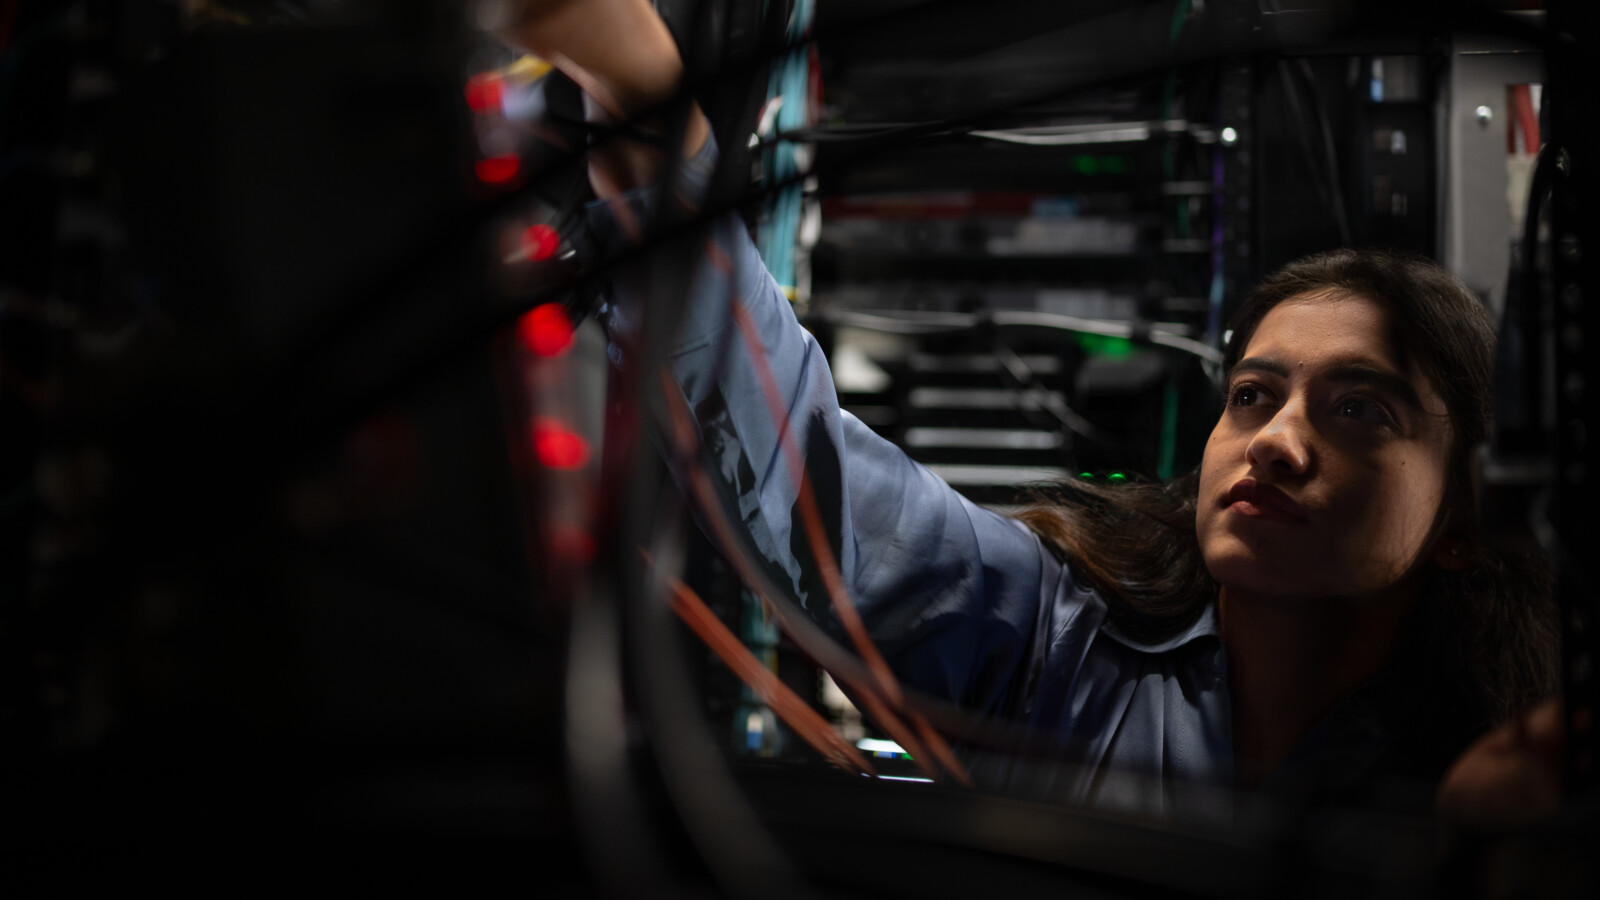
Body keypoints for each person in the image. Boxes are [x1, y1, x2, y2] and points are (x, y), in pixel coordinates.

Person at [503, 0, 1563, 822]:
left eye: (1360, 413)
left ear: (1464, 518)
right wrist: (647, 102)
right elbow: (814, 492)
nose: (1279, 443)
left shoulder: (1491, 790)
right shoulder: (1057, 654)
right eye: (1253, 396)